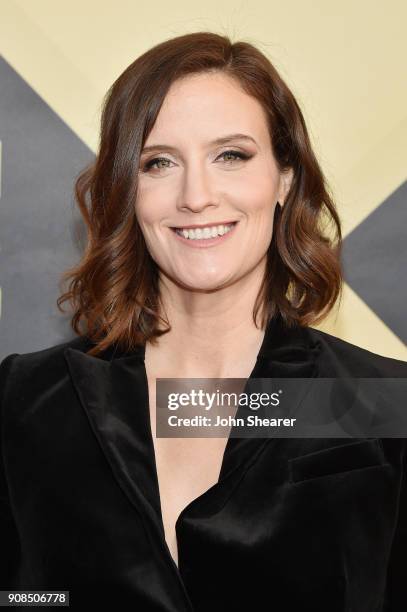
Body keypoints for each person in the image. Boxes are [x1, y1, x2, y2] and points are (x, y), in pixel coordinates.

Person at [0, 31, 406, 611]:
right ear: (127, 190)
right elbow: (22, 596)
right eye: (159, 162)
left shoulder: (384, 402)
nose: (196, 195)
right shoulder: (27, 401)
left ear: (284, 179)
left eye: (231, 155)